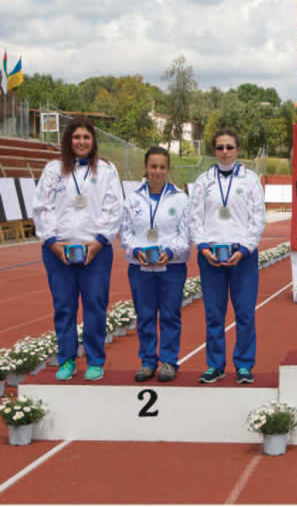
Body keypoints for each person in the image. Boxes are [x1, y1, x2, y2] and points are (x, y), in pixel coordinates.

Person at [32, 117, 123, 382]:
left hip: (95, 251)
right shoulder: (53, 170)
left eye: (86, 137)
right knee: (64, 307)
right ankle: (67, 359)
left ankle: (95, 360)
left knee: (95, 306)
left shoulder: (106, 170)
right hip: (58, 251)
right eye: (76, 137)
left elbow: (113, 207)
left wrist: (99, 241)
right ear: (68, 140)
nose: (81, 142)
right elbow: (42, 207)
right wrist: (52, 241)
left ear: (93, 141)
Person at [189, 129, 266, 384]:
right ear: (214, 150)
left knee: (245, 313)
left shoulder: (250, 180)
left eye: (229, 147)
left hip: (242, 257)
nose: (224, 152)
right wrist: (203, 247)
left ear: (238, 149)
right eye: (220, 147)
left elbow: (258, 218)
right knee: (214, 314)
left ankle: (244, 364)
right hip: (210, 256)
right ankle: (215, 365)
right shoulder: (204, 181)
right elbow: (194, 218)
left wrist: (244, 249)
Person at [121, 147, 190, 383]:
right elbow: (125, 233)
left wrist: (170, 252)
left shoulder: (181, 199)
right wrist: (136, 250)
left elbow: (185, 233)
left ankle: (169, 361)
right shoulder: (133, 199)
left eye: (162, 167)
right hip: (140, 267)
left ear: (167, 169)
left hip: (172, 267)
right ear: (146, 168)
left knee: (170, 315)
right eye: (153, 166)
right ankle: (148, 361)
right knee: (145, 316)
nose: (157, 171)